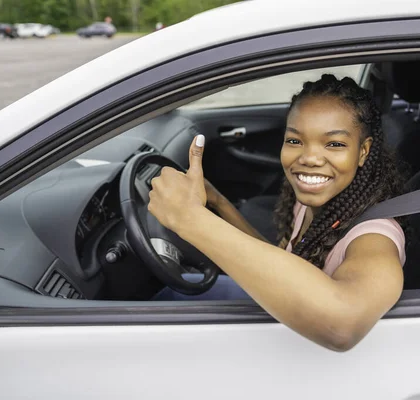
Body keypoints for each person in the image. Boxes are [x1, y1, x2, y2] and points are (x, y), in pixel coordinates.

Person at [148, 74, 406, 351]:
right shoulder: (312, 202)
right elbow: (278, 261)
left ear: (363, 152)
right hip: (288, 325)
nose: (309, 158)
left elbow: (342, 324)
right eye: (295, 141)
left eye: (334, 144)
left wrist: (190, 219)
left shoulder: (375, 237)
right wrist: (217, 201)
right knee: (177, 289)